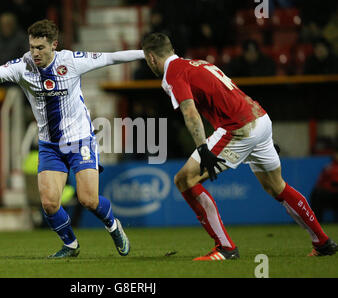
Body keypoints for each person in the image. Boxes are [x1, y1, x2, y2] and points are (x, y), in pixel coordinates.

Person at [0, 19, 145, 258]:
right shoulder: (22, 66)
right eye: (32, 46)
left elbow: (111, 57)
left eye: (40, 48)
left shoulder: (72, 61)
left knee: (88, 200)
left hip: (80, 141)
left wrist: (143, 53)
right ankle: (71, 245)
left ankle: (114, 226)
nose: (34, 52)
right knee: (49, 203)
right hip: (49, 145)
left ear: (54, 45)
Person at [141, 32, 337, 260]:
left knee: (184, 179)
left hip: (238, 127)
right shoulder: (198, 63)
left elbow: (190, 112)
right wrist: (259, 135)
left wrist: (203, 149)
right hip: (259, 118)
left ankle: (225, 248)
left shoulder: (173, 73)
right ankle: (323, 242)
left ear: (152, 58)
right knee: (277, 186)